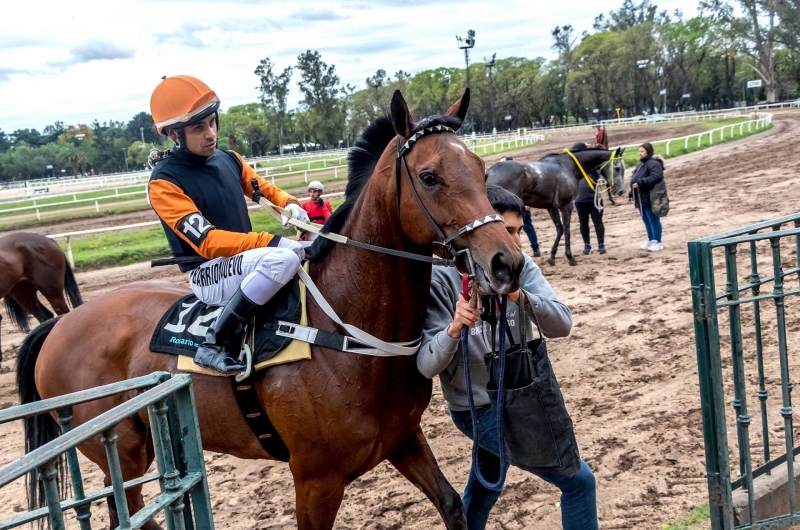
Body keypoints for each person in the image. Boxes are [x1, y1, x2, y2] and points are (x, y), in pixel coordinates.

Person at [418, 185, 597, 530]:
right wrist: (454, 328)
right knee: (579, 482)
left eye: (517, 231)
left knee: (487, 485)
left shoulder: (521, 265)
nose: (514, 242)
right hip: (477, 408)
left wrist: (517, 293)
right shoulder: (438, 280)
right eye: (506, 231)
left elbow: (562, 324)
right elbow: (426, 365)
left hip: (523, 395)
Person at [148, 75, 310, 374]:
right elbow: (208, 242)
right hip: (209, 273)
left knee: (313, 251)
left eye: (212, 122)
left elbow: (265, 190)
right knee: (284, 257)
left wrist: (291, 204)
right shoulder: (164, 182)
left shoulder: (229, 159)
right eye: (198, 128)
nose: (210, 133)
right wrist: (270, 240)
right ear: (173, 133)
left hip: (245, 261)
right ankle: (214, 343)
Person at [500, 157, 540, 258]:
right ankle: (535, 249)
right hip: (515, 207)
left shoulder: (505, 179)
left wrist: (525, 204)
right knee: (525, 228)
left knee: (520, 229)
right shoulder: (517, 177)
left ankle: (534, 249)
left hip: (516, 208)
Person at [571, 143, 606, 255]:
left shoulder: (592, 164)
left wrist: (601, 179)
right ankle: (587, 244)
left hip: (594, 198)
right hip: (579, 199)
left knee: (597, 221)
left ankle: (601, 244)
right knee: (583, 223)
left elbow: (601, 174)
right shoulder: (572, 167)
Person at [629, 142, 665, 252]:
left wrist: (641, 183)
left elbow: (657, 176)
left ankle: (657, 241)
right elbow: (634, 179)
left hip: (651, 196)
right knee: (646, 219)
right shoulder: (641, 164)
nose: (639, 153)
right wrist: (631, 192)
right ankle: (650, 239)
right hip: (640, 197)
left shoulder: (653, 163)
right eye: (639, 151)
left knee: (653, 219)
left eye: (642, 151)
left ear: (648, 152)